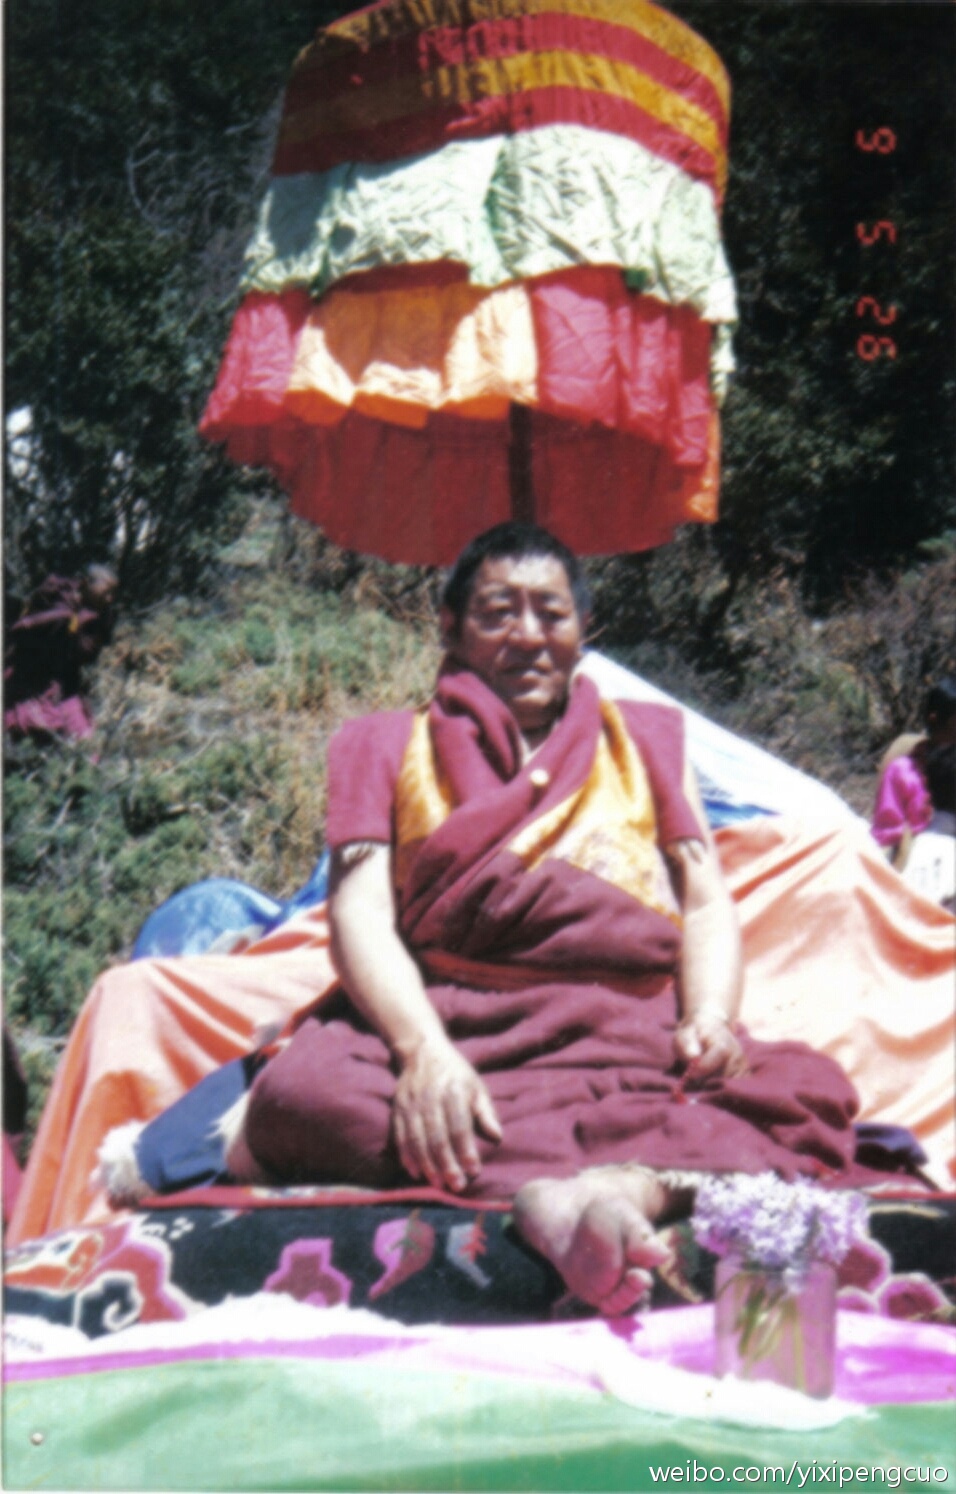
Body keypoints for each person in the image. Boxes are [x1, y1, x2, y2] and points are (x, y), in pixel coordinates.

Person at [212, 522, 865, 1316]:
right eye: (498, 612)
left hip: (629, 1034)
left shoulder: (646, 741)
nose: (528, 635)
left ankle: (612, 1190)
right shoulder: (383, 744)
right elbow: (359, 912)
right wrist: (422, 1054)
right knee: (306, 1095)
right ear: (449, 625)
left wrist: (710, 1019)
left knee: (809, 1089)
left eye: (551, 614)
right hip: (458, 1025)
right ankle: (623, 1183)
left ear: (585, 628)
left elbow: (703, 897)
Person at [4, 564, 118, 742]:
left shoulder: (97, 615)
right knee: (38, 723)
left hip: (64, 681)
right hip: (31, 677)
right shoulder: (60, 611)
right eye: (105, 593)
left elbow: (86, 653)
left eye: (113, 594)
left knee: (84, 737)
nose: (110, 599)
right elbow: (23, 630)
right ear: (86, 584)